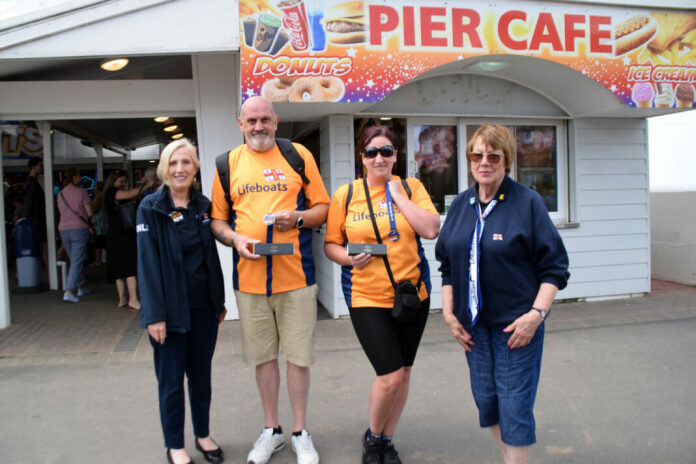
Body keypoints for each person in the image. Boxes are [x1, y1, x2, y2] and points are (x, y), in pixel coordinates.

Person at [435, 124, 569, 464]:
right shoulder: (462, 204)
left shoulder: (528, 203)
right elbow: (448, 264)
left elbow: (554, 267)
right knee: (487, 400)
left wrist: (536, 316)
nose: (484, 162)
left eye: (493, 156)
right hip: (473, 329)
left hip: (516, 328)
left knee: (514, 406)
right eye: (477, 155)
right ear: (469, 160)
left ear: (506, 160)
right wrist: (449, 314)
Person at [210, 96, 329, 464]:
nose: (258, 126)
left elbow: (323, 209)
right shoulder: (226, 164)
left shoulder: (298, 155)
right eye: (251, 121)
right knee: (263, 359)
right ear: (240, 123)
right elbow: (217, 221)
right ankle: (272, 430)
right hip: (250, 281)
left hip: (296, 278)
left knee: (297, 358)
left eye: (265, 119)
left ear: (276, 121)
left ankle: (300, 431)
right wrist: (235, 239)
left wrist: (296, 218)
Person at [324, 125, 440, 464]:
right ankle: (373, 438)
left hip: (411, 295)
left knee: (403, 372)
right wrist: (347, 258)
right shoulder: (345, 195)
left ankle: (388, 439)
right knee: (388, 375)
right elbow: (332, 243)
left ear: (395, 156)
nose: (379, 157)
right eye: (372, 152)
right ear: (362, 157)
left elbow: (430, 229)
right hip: (366, 297)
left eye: (386, 151)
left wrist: (398, 196)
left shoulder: (411, 187)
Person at [138, 139, 227, 464]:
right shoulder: (150, 207)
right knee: (171, 382)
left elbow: (210, 258)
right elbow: (147, 265)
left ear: (195, 167)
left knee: (201, 377)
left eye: (186, 162)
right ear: (164, 168)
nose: (180, 169)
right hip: (169, 314)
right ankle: (175, 445)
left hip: (204, 309)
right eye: (174, 163)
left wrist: (218, 301)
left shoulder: (204, 206)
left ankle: (202, 435)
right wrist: (154, 315)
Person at [104, 169, 153, 310]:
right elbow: (131, 194)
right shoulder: (113, 192)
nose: (123, 184)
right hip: (123, 235)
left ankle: (123, 299)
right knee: (130, 268)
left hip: (114, 235)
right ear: (113, 181)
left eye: (124, 182)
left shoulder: (108, 194)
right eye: (121, 182)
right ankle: (133, 299)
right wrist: (146, 185)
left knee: (119, 269)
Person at [56, 168, 93, 303]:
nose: (80, 178)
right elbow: (89, 212)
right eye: (79, 176)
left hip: (64, 229)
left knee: (74, 259)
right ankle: (69, 291)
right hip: (79, 229)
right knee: (77, 260)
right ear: (75, 177)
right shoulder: (81, 192)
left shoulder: (60, 194)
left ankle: (80, 286)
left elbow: (61, 212)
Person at [19, 157, 47, 268]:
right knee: (43, 248)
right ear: (33, 167)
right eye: (41, 165)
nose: (43, 168)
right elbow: (29, 203)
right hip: (36, 220)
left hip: (35, 220)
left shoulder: (32, 182)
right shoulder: (32, 183)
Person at [89, 181, 108, 267]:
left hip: (100, 224)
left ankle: (98, 260)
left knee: (99, 242)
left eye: (94, 187)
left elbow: (93, 209)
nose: (93, 189)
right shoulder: (104, 195)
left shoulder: (99, 196)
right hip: (105, 222)